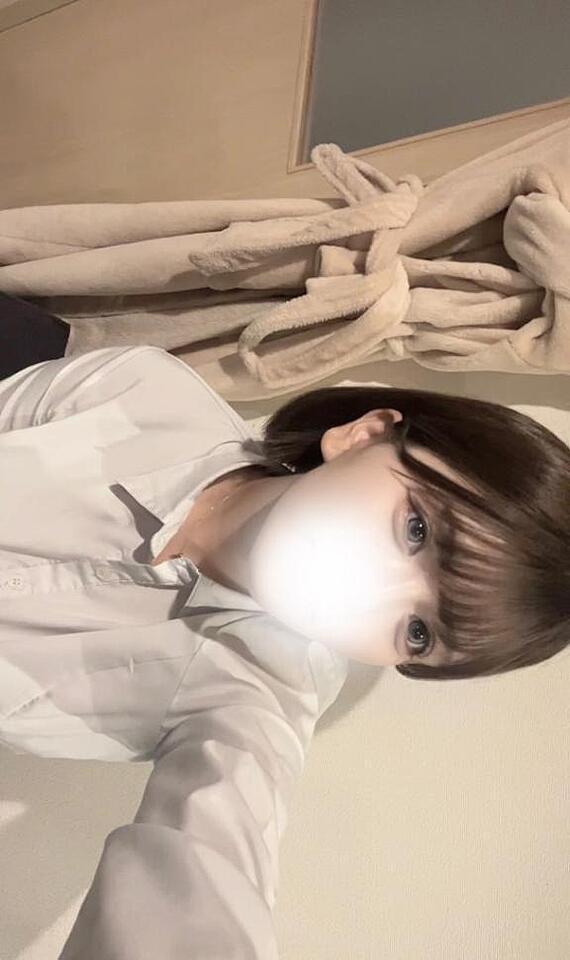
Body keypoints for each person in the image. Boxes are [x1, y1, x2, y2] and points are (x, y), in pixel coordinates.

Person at [0, 344, 568, 958]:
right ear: (363, 436)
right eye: (416, 530)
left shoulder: (258, 695)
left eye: (417, 632)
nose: (375, 594)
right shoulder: (142, 391)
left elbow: (214, 856)